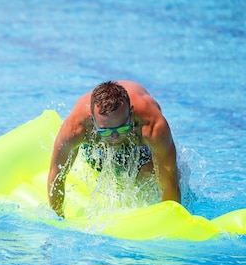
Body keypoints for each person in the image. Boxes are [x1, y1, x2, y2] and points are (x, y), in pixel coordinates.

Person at [47, 80, 181, 218]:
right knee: (101, 165)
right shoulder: (76, 128)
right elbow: (56, 175)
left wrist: (170, 221)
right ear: (93, 121)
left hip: (138, 147)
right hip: (98, 150)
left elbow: (170, 184)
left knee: (151, 175)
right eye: (105, 130)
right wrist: (58, 218)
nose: (115, 136)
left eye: (122, 127)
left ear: (131, 113)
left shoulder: (152, 126)